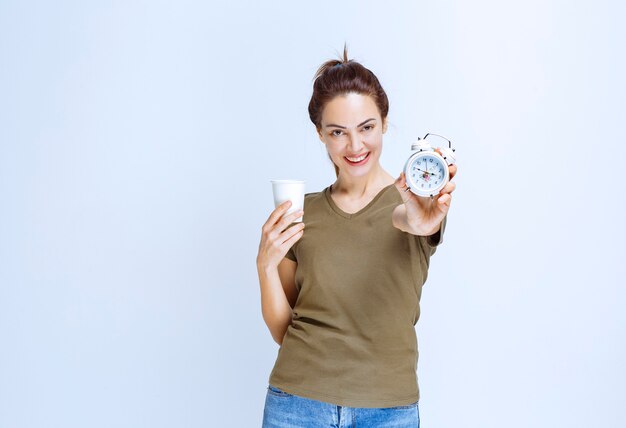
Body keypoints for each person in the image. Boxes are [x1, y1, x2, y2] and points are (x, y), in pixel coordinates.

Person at [256, 45, 457, 427]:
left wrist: (422, 217)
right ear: (321, 135)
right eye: (338, 132)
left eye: (366, 127)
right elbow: (284, 330)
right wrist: (265, 265)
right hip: (295, 404)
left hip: (388, 410)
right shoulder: (303, 211)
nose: (355, 146)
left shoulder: (415, 200)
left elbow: (409, 221)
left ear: (384, 122)